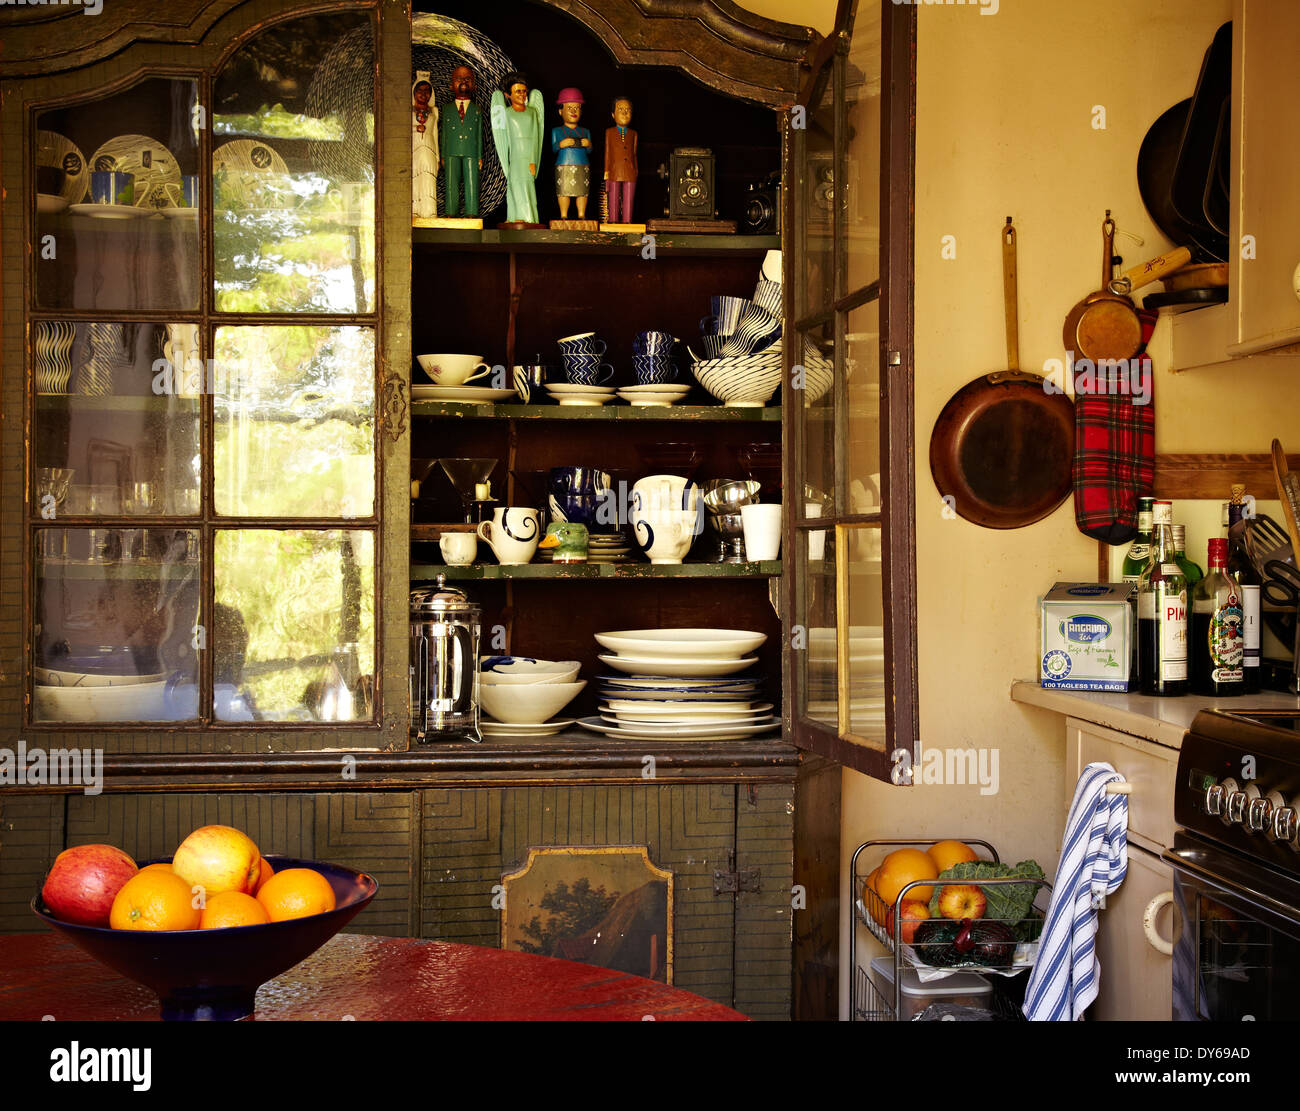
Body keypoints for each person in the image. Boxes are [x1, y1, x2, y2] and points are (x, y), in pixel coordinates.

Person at [490, 73, 543, 225]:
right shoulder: (506, 113)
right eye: (517, 91)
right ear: (508, 95)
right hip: (514, 157)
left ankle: (527, 217)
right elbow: (503, 139)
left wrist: (533, 160)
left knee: (526, 186)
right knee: (513, 186)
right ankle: (512, 216)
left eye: (524, 91)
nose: (521, 94)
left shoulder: (532, 113)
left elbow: (535, 138)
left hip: (527, 157)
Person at [439, 64, 483, 218]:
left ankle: (472, 212)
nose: (463, 81)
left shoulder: (477, 110)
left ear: (475, 86)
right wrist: (442, 155)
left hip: (471, 150)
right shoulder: (446, 109)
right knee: (451, 183)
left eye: (467, 79)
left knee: (472, 183)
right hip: (451, 150)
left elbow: (479, 135)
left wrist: (479, 157)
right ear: (451, 85)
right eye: (459, 79)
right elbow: (443, 134)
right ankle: (451, 212)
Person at [550, 87, 592, 220]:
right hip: (563, 165)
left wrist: (588, 144)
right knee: (563, 191)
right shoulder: (557, 131)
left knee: (582, 192)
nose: (573, 111)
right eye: (569, 108)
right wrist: (561, 144)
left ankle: (581, 215)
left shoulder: (585, 131)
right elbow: (554, 149)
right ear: (560, 111)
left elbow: (590, 150)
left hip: (583, 164)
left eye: (577, 108)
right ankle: (564, 215)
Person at [603, 96, 638, 224]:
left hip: (630, 171)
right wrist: (606, 171)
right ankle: (612, 220)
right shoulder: (609, 132)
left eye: (628, 110)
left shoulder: (633, 134)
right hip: (614, 170)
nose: (624, 112)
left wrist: (635, 170)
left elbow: (634, 154)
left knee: (629, 198)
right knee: (613, 197)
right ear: (613, 114)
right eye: (620, 109)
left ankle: (627, 221)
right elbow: (607, 152)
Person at [412, 75, 439, 220]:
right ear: (414, 93)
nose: (424, 93)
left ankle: (430, 211)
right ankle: (415, 210)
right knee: (415, 180)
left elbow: (435, 133)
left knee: (428, 179)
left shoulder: (434, 111)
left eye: (427, 90)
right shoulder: (408, 110)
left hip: (429, 148)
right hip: (414, 148)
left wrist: (437, 157)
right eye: (420, 90)